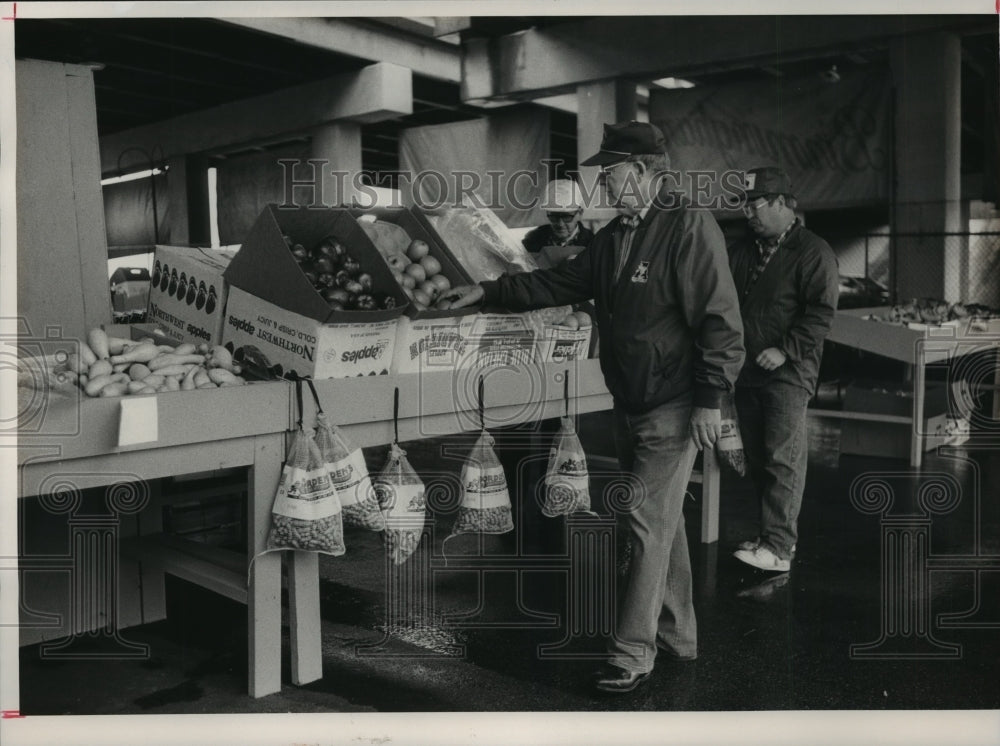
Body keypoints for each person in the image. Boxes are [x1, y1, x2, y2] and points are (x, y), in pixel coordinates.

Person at [443, 121, 745, 694]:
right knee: (663, 520)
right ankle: (679, 635)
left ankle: (632, 652)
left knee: (641, 518)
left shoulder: (688, 227)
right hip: (631, 401)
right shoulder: (612, 238)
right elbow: (555, 283)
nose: (603, 185)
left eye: (612, 173)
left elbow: (722, 323)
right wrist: (487, 292)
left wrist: (712, 401)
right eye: (602, 175)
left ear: (648, 170)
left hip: (675, 403)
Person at [727, 167, 839, 573]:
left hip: (788, 373)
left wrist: (786, 350)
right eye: (744, 205)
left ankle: (779, 548)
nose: (747, 213)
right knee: (759, 458)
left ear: (781, 203)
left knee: (782, 457)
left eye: (755, 204)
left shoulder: (813, 251)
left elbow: (821, 313)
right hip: (748, 370)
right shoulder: (745, 250)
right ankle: (769, 535)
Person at [521, 178, 595, 265]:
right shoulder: (533, 239)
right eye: (554, 216)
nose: (560, 224)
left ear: (580, 213)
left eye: (567, 217)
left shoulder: (592, 243)